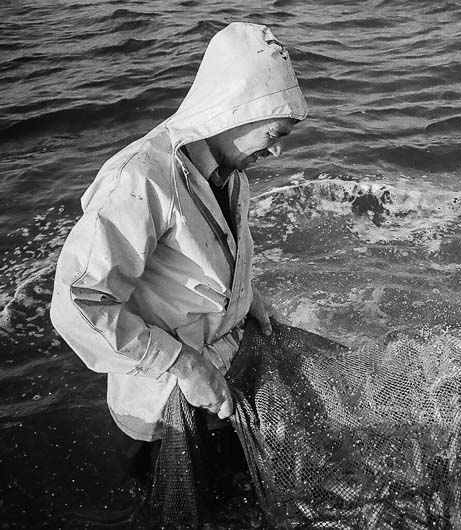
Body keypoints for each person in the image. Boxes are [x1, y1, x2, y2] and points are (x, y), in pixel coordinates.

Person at [50, 22, 307, 444]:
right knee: (180, 502)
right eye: (275, 134)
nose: (278, 151)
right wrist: (185, 366)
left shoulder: (232, 173)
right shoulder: (140, 180)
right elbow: (77, 304)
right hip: (163, 414)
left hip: (220, 384)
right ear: (236, 112)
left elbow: (197, 268)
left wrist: (247, 298)